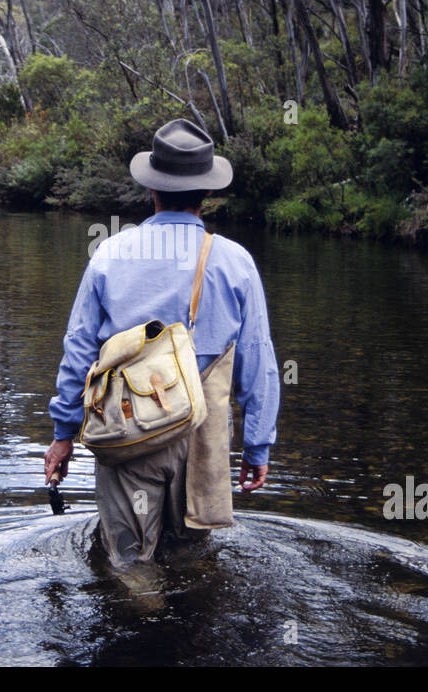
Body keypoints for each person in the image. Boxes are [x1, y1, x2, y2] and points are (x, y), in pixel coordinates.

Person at [44, 119, 280, 568]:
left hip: (128, 434)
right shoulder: (236, 263)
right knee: (191, 561)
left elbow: (78, 353)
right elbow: (258, 363)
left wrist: (63, 435)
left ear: (151, 188)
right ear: (207, 192)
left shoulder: (110, 255)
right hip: (202, 438)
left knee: (130, 564)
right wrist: (257, 446)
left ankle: (142, 615)